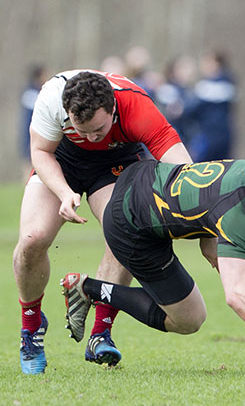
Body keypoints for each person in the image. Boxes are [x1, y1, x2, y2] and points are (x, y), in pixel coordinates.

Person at [59, 148, 245, 365]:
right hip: (131, 223)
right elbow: (238, 295)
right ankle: (89, 289)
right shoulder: (239, 210)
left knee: (192, 311)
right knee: (189, 319)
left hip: (145, 180)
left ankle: (89, 290)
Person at [14, 70, 196, 374]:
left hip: (115, 162)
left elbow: (183, 169)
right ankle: (31, 329)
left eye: (97, 129)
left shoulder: (134, 104)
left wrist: (202, 225)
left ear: (112, 108)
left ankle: (101, 333)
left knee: (125, 232)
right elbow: (41, 152)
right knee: (32, 239)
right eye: (80, 129)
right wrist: (63, 192)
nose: (89, 137)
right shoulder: (50, 99)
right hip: (62, 160)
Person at [186, 49, 236, 162]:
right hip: (226, 134)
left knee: (200, 168)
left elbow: (191, 111)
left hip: (208, 135)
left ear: (216, 64)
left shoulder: (205, 87)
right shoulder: (230, 83)